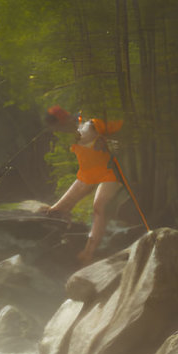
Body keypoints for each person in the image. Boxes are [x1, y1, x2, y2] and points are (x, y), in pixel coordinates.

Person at [45, 107, 123, 264]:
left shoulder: (93, 124)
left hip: (111, 171)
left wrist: (114, 142)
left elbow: (126, 130)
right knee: (55, 211)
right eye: (56, 128)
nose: (59, 130)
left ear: (65, 119)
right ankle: (56, 246)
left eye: (59, 125)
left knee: (99, 206)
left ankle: (89, 252)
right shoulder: (71, 135)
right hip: (87, 175)